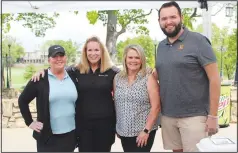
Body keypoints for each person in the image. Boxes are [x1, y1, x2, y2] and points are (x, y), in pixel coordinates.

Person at [153, 1, 221, 152]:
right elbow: (161, 72)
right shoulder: (161, 46)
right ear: (159, 21)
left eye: (173, 17)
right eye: (164, 19)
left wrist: (213, 116)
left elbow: (215, 79)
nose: (168, 22)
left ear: (181, 17)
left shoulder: (199, 41)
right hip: (168, 116)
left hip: (195, 117)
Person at [31, 36, 119, 152]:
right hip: (83, 125)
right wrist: (43, 71)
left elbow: (129, 74)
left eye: (97, 50)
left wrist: (149, 71)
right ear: (85, 52)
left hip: (105, 125)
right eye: (90, 50)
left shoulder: (112, 71)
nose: (93, 53)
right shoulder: (75, 70)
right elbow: (57, 68)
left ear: (102, 52)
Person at [18, 45, 78, 152]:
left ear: (66, 58)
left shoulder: (73, 76)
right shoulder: (40, 79)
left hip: (70, 135)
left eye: (61, 55)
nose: (59, 59)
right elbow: (22, 100)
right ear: (49, 59)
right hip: (48, 137)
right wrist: (30, 122)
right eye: (55, 56)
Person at [114, 44, 161, 152]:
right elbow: (117, 103)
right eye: (130, 57)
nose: (133, 61)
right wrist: (118, 126)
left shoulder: (148, 78)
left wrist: (146, 131)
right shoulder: (118, 78)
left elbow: (156, 107)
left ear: (142, 60)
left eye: (137, 57)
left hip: (142, 133)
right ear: (125, 58)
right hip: (124, 132)